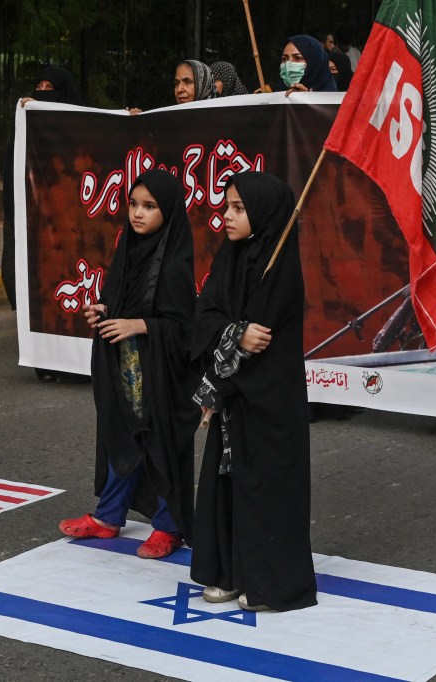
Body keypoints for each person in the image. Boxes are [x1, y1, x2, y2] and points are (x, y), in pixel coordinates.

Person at [189, 171, 317, 613]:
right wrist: (233, 332)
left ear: (263, 213)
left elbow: (262, 336)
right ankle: (229, 572)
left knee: (266, 488)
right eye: (226, 207)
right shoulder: (230, 259)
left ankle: (272, 585)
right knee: (226, 485)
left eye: (238, 209)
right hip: (234, 399)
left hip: (269, 399)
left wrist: (240, 338)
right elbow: (205, 313)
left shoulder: (282, 269)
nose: (226, 216)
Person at [58, 170, 198, 559]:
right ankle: (108, 517)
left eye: (149, 207)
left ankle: (168, 527)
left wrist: (138, 324)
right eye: (133, 204)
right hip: (125, 368)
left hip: (162, 375)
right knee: (121, 438)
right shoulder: (129, 251)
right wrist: (104, 311)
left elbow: (186, 328)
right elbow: (123, 299)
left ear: (167, 211)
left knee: (159, 446)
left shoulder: (174, 263)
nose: (138, 214)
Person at [4, 66, 90, 384]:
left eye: (50, 86)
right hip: (42, 226)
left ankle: (78, 359)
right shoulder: (30, 121)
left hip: (75, 226)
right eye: (38, 85)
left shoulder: (83, 125)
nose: (42, 92)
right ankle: (47, 359)